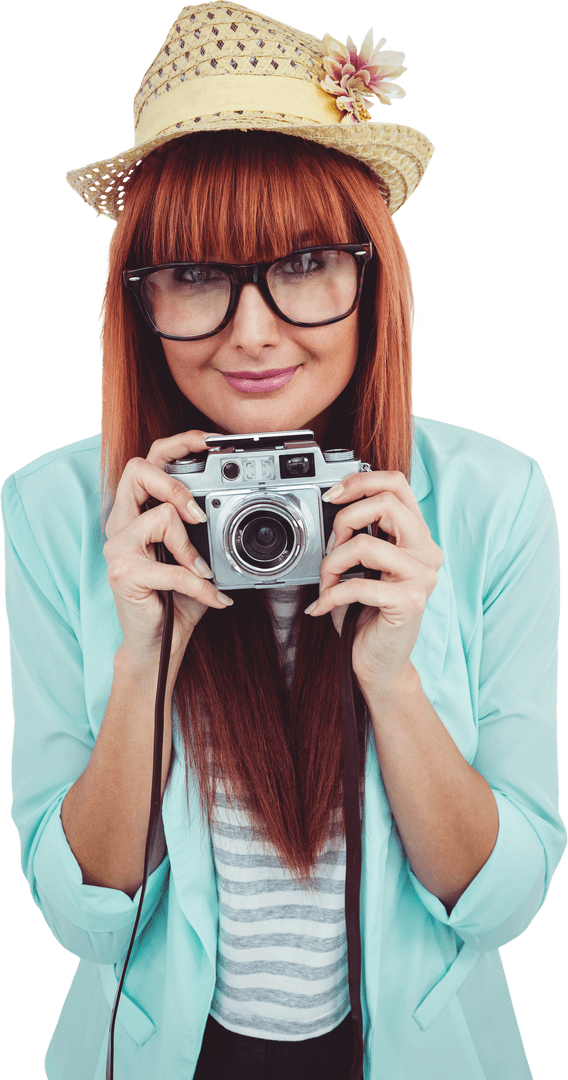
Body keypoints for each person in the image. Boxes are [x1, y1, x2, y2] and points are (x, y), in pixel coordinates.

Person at [2, 3, 565, 1079]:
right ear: (138, 299)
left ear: (371, 275)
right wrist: (143, 662)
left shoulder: (495, 498)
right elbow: (87, 926)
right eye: (196, 275)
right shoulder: (53, 509)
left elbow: (500, 908)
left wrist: (391, 680)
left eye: (304, 261)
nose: (253, 331)